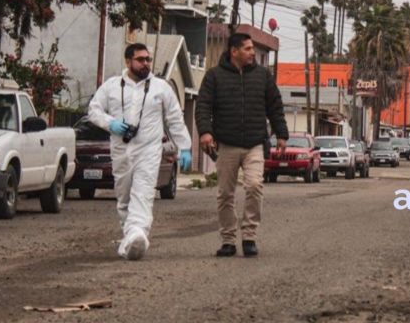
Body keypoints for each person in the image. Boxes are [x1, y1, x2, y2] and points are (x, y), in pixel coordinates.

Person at [88, 43, 192, 260]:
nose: (146, 63)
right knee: (125, 197)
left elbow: (174, 118)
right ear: (128, 62)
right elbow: (94, 111)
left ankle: (139, 236)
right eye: (140, 59)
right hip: (121, 151)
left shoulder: (161, 88)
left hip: (148, 151)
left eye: (148, 59)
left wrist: (184, 147)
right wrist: (111, 123)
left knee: (143, 194)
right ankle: (130, 239)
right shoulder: (111, 86)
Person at [197, 32, 288, 258]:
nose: (252, 53)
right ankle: (228, 240)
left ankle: (249, 236)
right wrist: (205, 132)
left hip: (255, 143)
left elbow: (275, 106)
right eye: (247, 49)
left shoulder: (263, 76)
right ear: (234, 51)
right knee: (225, 194)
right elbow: (203, 106)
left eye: (252, 49)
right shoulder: (214, 76)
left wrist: (282, 134)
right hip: (226, 144)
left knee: (255, 185)